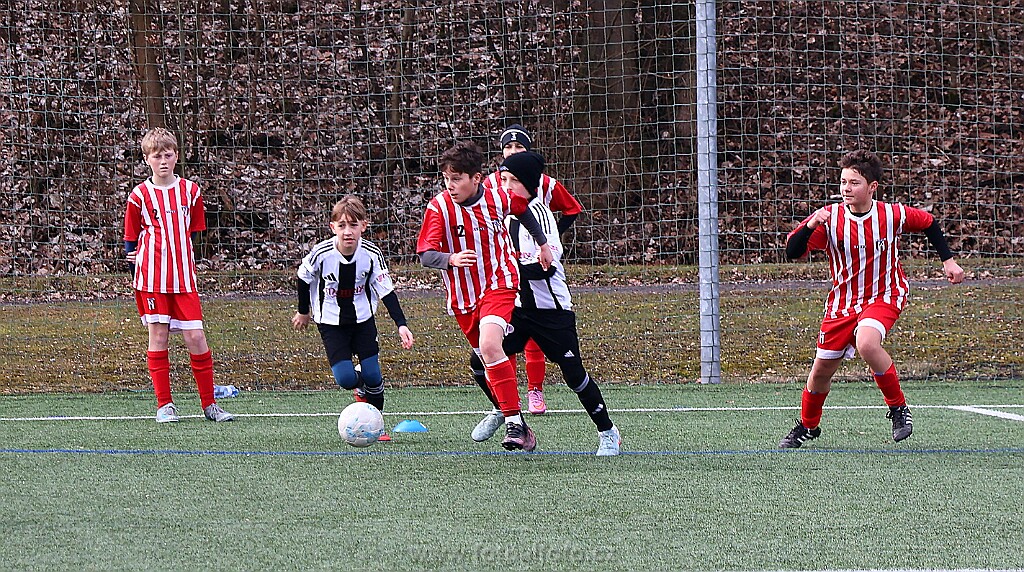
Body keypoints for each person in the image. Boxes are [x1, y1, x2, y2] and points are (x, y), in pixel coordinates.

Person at [779, 149, 965, 448]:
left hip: (885, 294)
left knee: (867, 342)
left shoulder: (891, 214)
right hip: (843, 303)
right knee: (821, 372)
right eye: (843, 182)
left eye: (854, 183)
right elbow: (792, 251)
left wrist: (949, 261)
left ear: (872, 187)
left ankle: (898, 408)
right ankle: (808, 425)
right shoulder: (829, 218)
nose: (846, 188)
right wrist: (811, 224)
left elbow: (928, 222)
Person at [416, 140, 552, 451]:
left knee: (491, 345)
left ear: (476, 178)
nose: (450, 185)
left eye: (457, 179)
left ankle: (514, 423)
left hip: (500, 281)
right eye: (446, 179)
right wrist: (450, 258)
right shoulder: (439, 208)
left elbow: (523, 209)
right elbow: (425, 254)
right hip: (463, 296)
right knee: (486, 358)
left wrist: (542, 244)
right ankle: (518, 424)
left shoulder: (497, 198)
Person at [494, 150, 621, 455]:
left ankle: (608, 431)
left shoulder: (540, 215)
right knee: (483, 359)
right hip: (518, 310)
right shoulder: (502, 214)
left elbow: (544, 267)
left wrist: (508, 269)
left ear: (529, 184)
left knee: (574, 375)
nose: (506, 187)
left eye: (513, 181)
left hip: (552, 311)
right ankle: (512, 418)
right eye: (504, 180)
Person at [123, 127, 234, 423]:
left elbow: (194, 231)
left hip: (184, 279)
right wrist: (135, 266)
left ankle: (210, 405)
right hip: (152, 280)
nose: (163, 161)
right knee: (158, 335)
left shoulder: (191, 191)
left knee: (196, 337)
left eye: (168, 155)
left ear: (176, 156)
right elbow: (130, 239)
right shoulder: (139, 196)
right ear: (147, 159)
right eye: (156, 156)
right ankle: (165, 405)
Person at [292, 195, 414, 442]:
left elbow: (386, 290)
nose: (348, 231)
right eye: (342, 225)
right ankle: (360, 386)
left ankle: (377, 425)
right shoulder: (321, 253)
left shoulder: (371, 254)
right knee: (346, 378)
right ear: (333, 227)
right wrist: (303, 311)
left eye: (353, 225)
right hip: (331, 324)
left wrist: (401, 324)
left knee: (373, 375)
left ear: (363, 226)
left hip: (363, 322)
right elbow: (303, 278)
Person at [480, 124, 584, 415]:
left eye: (519, 147)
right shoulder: (490, 184)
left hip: (535, 262)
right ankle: (508, 400)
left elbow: (572, 208)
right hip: (506, 263)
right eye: (508, 147)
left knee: (535, 328)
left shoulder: (544, 185)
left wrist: (547, 240)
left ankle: (535, 390)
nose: (513, 151)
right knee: (500, 333)